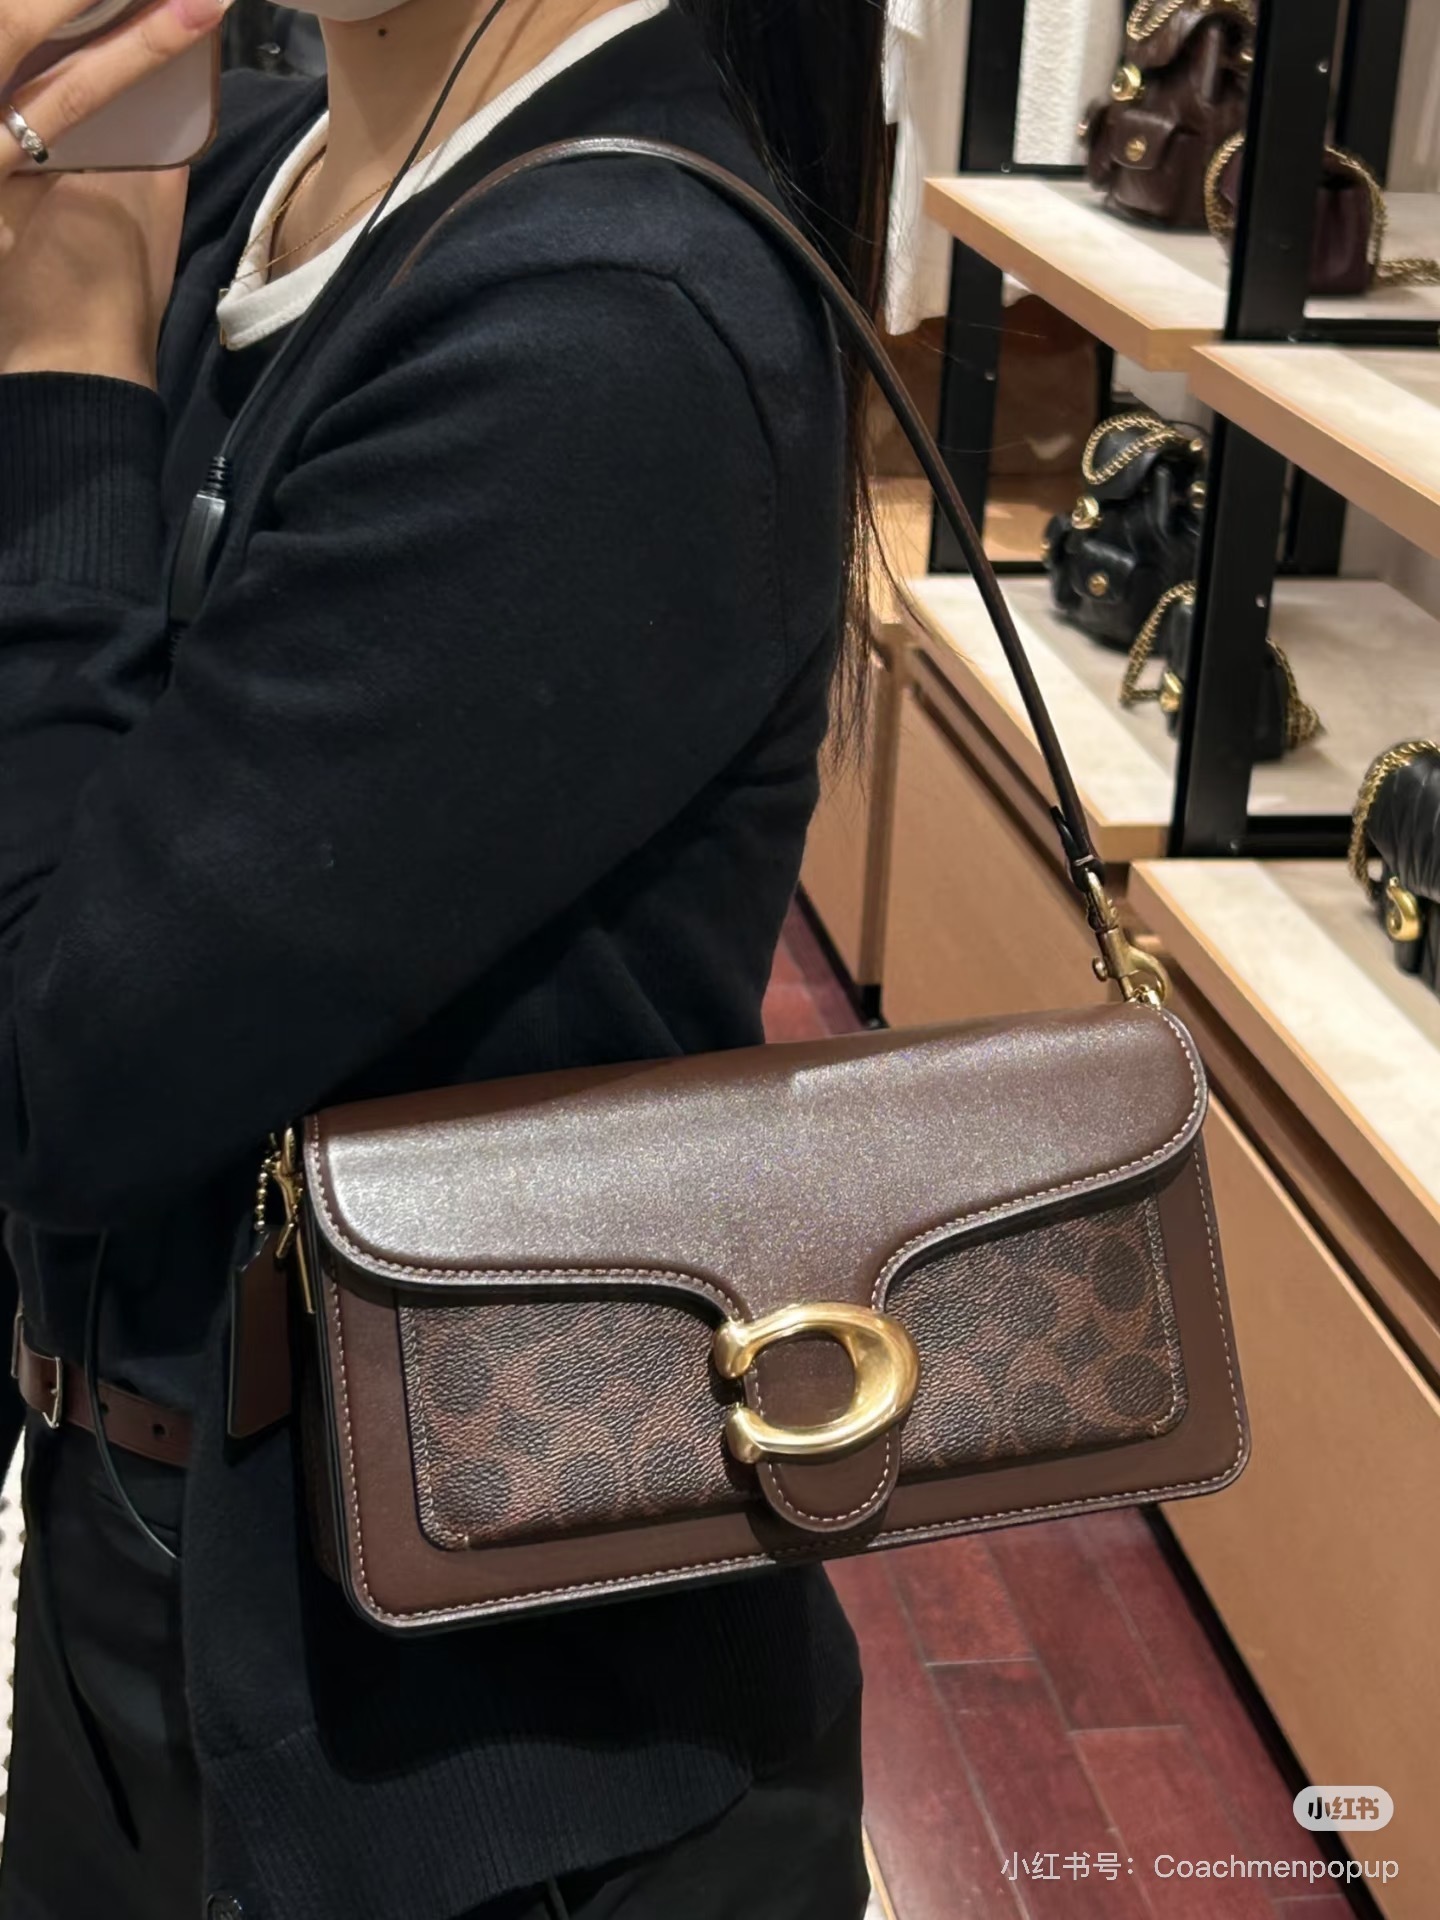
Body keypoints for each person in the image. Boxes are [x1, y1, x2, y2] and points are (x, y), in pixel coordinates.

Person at [0, 1, 889, 1916]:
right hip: (157, 1590)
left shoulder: (607, 323)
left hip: (473, 1760)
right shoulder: (253, 180)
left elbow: (63, 1068)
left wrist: (65, 371)